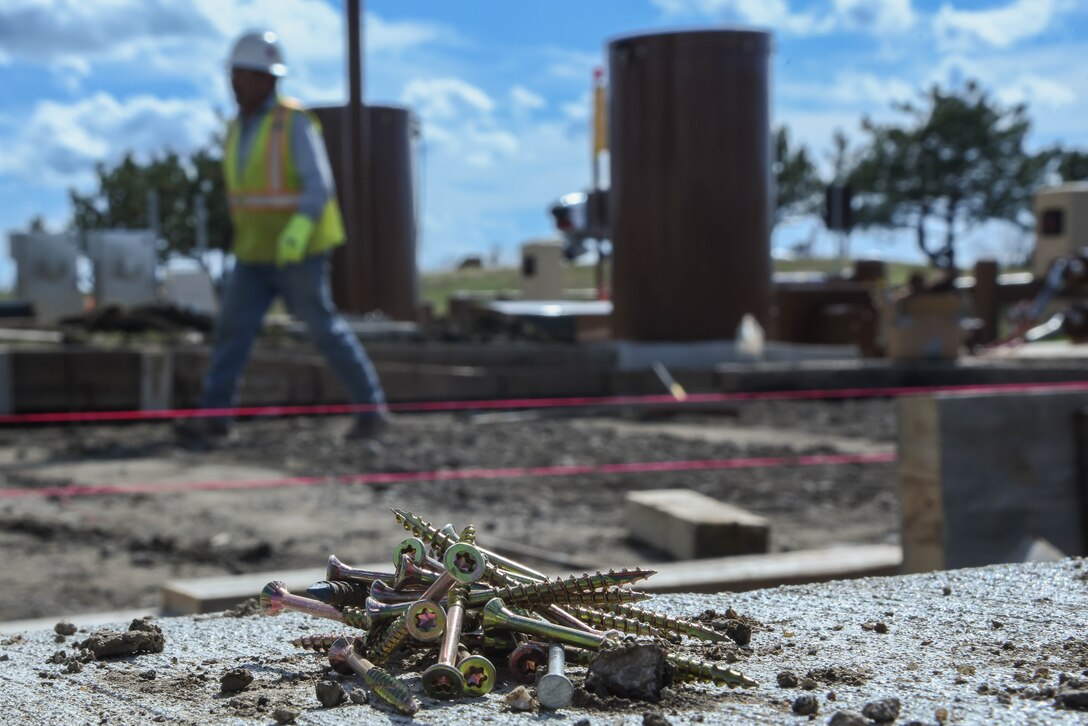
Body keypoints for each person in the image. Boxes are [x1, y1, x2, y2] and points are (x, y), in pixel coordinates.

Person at [180, 30, 388, 444]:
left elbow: (318, 187)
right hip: (253, 253)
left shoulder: (293, 122)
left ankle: (371, 411)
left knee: (323, 330)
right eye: (232, 75)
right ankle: (215, 416)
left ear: (265, 78)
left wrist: (296, 235)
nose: (233, 83)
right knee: (231, 332)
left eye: (240, 75)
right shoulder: (237, 129)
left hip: (299, 253)